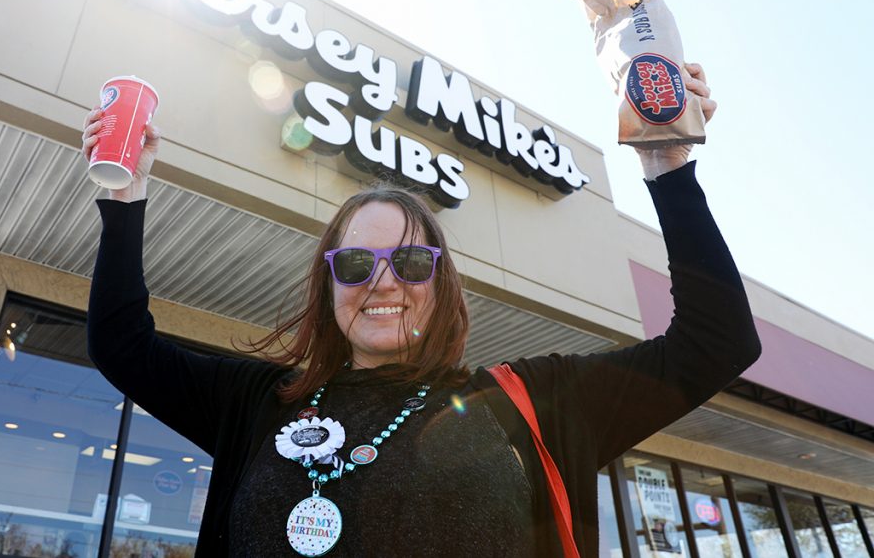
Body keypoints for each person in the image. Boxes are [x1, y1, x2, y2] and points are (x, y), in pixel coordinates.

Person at [82, 63, 760, 557]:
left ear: (441, 284)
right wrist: (124, 194)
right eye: (355, 263)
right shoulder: (262, 401)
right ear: (328, 284)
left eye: (409, 262)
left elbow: (717, 340)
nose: (383, 283)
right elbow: (122, 345)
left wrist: (668, 166)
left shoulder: (528, 404)